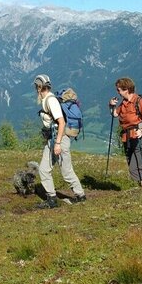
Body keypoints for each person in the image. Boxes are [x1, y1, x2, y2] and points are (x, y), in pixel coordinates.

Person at [33, 74, 87, 208]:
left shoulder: (50, 101)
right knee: (44, 169)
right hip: (52, 139)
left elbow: (61, 123)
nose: (35, 90)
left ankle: (80, 196)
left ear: (39, 87)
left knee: (66, 171)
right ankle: (51, 199)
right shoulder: (46, 99)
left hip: (59, 140)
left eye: (36, 87)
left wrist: (57, 144)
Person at [109, 77, 142, 188]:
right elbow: (115, 114)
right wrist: (111, 105)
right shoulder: (123, 103)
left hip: (140, 136)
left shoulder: (139, 101)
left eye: (119, 90)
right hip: (127, 136)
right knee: (131, 162)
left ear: (126, 90)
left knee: (137, 163)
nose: (118, 92)